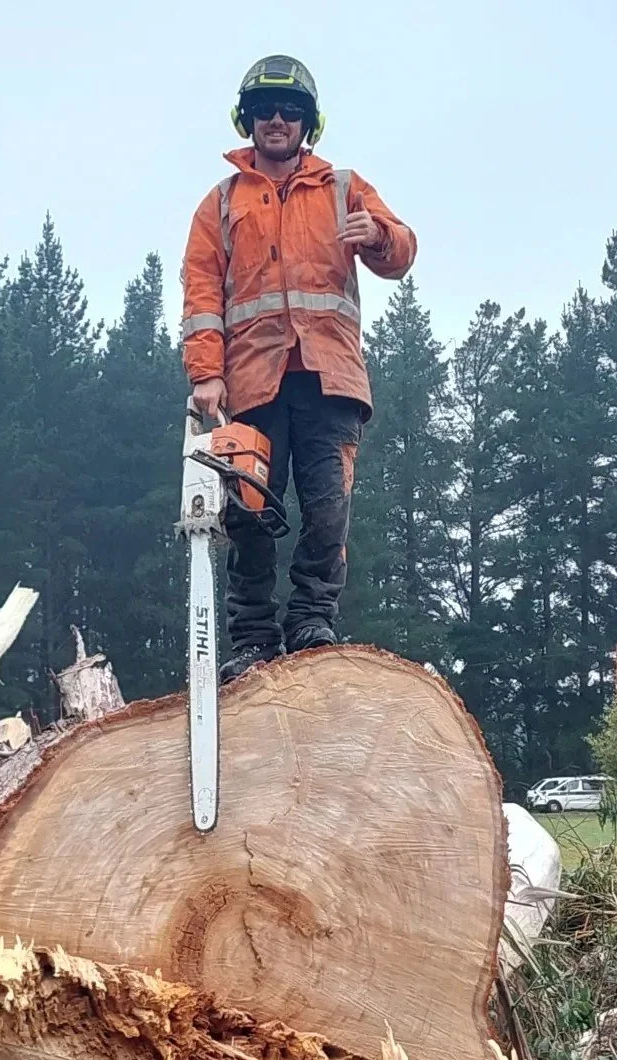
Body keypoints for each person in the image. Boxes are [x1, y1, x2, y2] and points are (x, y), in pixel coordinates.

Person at [181, 54, 417, 682]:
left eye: (289, 110)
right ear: (247, 120)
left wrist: (380, 238)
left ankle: (312, 619)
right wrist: (206, 373)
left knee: (327, 508)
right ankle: (254, 636)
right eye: (264, 109)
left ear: (308, 121)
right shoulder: (222, 202)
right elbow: (201, 293)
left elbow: (401, 252)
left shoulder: (344, 188)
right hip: (253, 382)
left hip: (330, 378)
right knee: (249, 512)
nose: (277, 120)